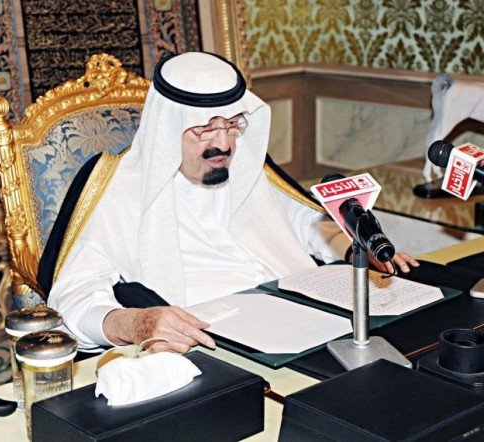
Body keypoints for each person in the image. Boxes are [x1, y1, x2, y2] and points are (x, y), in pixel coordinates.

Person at [47, 52, 419, 354]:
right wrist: (133, 323)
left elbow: (305, 223)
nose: (223, 144)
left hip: (304, 316)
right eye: (204, 129)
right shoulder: (117, 188)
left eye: (232, 126)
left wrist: (355, 245)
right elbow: (73, 300)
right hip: (214, 342)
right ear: (168, 128)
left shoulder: (244, 165)